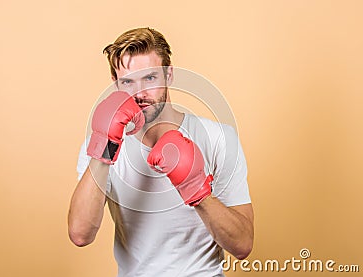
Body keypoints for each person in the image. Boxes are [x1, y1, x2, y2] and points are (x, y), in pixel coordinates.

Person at [68, 27, 254, 277]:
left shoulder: (218, 138)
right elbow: (80, 234)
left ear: (169, 75)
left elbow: (242, 245)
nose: (140, 93)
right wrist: (104, 148)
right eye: (128, 82)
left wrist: (197, 191)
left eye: (150, 78)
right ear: (116, 84)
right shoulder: (100, 143)